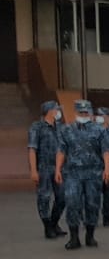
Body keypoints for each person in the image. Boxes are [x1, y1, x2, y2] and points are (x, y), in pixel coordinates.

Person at [55, 99, 109, 250]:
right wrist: (58, 170)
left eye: (87, 112)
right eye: (81, 112)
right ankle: (74, 238)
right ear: (75, 112)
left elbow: (106, 151)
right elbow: (61, 150)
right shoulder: (66, 130)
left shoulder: (99, 130)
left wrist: (107, 169)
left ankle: (90, 236)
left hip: (93, 173)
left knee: (92, 204)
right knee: (72, 203)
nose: (84, 114)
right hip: (73, 173)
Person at [27, 100, 66, 239]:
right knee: (44, 197)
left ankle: (54, 223)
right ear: (49, 111)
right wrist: (33, 170)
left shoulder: (60, 127)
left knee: (62, 197)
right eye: (56, 109)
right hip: (43, 167)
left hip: (59, 168)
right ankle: (47, 227)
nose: (58, 112)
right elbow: (32, 149)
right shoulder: (36, 127)